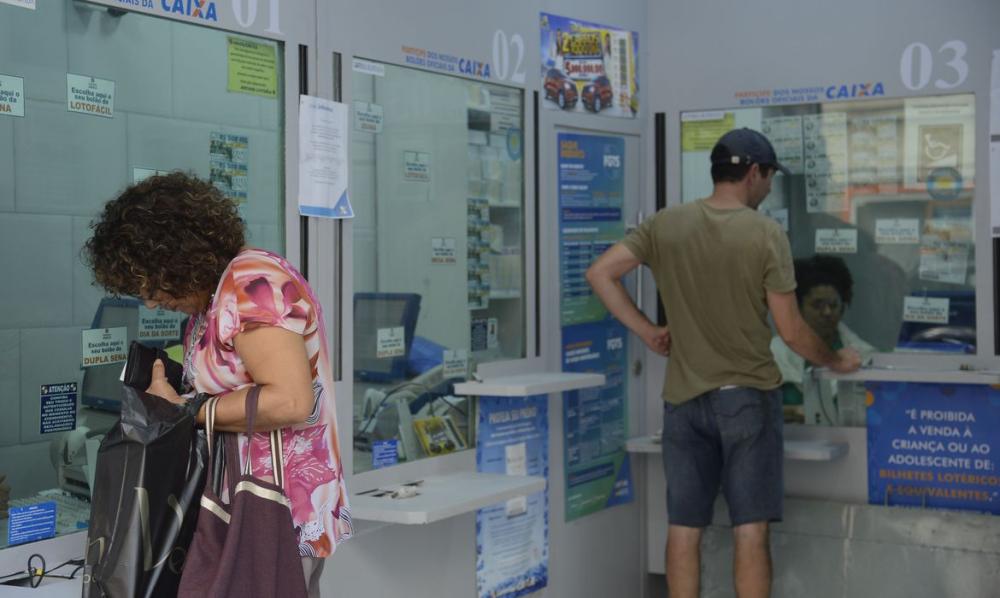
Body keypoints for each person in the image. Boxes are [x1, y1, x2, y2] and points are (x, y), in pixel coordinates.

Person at [586, 128, 861, 598]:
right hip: (746, 400)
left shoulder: (665, 224)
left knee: (683, 526)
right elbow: (791, 331)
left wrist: (648, 331)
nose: (769, 187)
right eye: (769, 176)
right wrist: (835, 359)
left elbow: (600, 273)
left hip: (682, 401)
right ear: (753, 173)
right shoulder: (765, 233)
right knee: (749, 528)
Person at [84, 172, 351, 597]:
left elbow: (290, 400)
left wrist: (184, 411)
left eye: (151, 282)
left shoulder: (251, 283)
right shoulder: (217, 296)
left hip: (273, 509)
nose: (151, 301)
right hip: (241, 505)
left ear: (178, 257)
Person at [771, 255, 875, 425]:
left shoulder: (863, 354)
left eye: (833, 305)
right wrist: (793, 412)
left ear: (843, 307)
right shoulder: (773, 354)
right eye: (817, 305)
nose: (827, 312)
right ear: (798, 308)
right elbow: (757, 411)